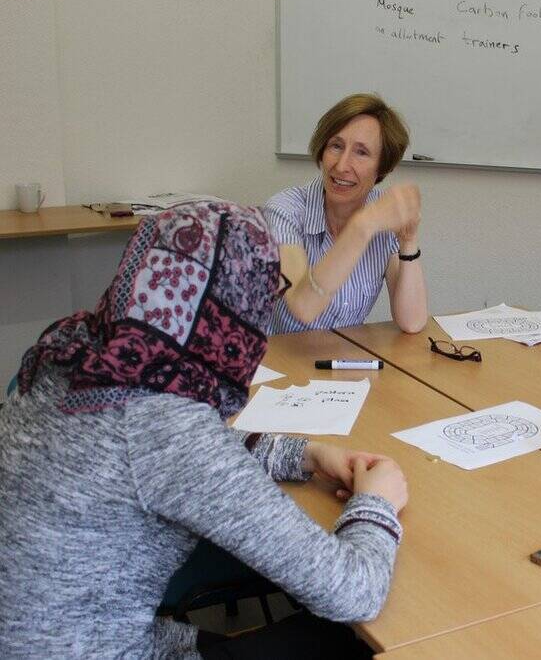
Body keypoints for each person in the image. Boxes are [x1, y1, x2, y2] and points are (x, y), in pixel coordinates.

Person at [0, 203, 408, 658]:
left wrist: (305, 455)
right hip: (96, 648)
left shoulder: (81, 354)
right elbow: (354, 591)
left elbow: (168, 457)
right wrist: (378, 503)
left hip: (47, 634)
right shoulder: (164, 423)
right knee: (346, 641)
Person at [265, 93, 428, 334]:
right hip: (282, 361)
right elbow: (303, 306)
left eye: (361, 152)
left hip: (346, 361)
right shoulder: (283, 210)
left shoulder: (381, 214)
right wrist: (362, 227)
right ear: (322, 150)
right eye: (336, 146)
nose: (341, 166)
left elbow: (412, 322)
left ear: (382, 167)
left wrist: (408, 240)